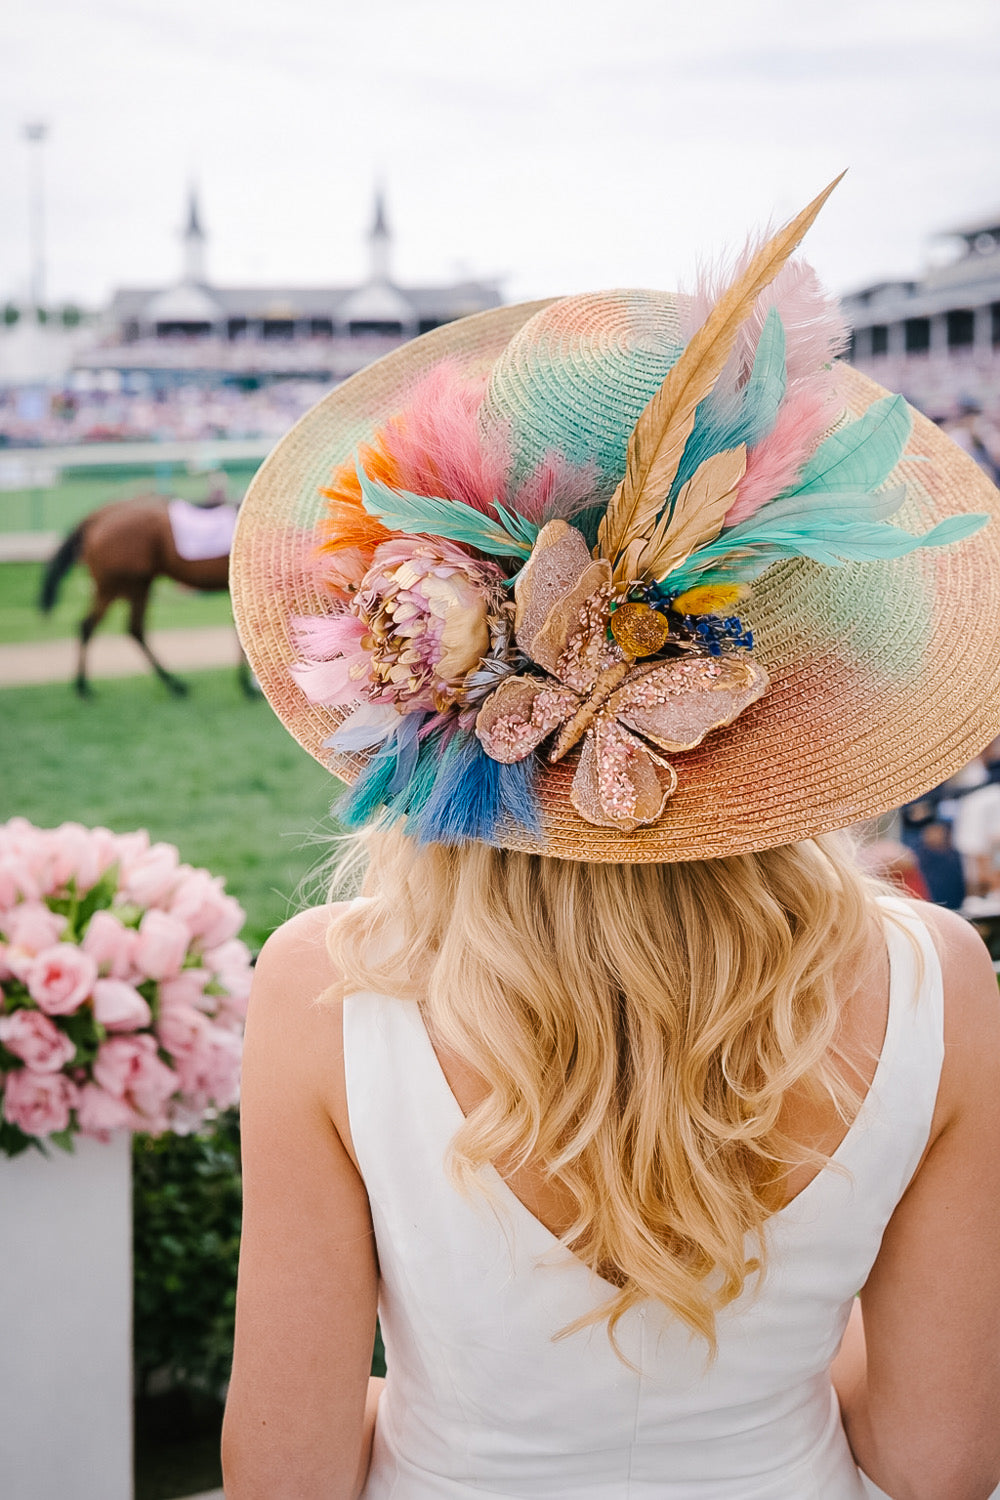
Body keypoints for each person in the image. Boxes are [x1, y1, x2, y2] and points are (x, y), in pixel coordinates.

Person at [221, 183, 1000, 1500]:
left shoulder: (322, 984)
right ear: (813, 661)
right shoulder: (935, 979)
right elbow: (941, 1460)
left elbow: (283, 1475)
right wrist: (765, 1372)